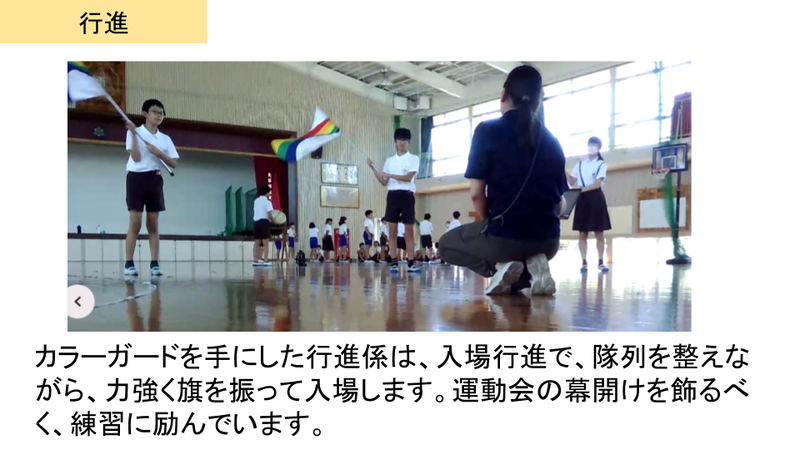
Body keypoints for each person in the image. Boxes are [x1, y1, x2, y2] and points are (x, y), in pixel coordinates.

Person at [439, 65, 568, 296]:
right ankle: (533, 270)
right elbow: (560, 206)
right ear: (538, 102)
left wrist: (489, 222)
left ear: (504, 94)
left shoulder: (487, 131)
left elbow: (476, 194)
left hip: (505, 238)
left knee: (446, 245)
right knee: (524, 246)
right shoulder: (553, 141)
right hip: (548, 243)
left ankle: (499, 268)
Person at [123, 99, 179, 276]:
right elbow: (136, 158)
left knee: (153, 224)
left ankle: (155, 263)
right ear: (145, 114)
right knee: (135, 223)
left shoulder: (165, 139)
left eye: (161, 113)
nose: (159, 115)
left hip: (155, 178)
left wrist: (158, 152)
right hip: (136, 178)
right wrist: (133, 135)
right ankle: (129, 263)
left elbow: (173, 163)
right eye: (155, 111)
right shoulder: (135, 132)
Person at [367, 128, 422, 274]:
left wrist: (390, 175)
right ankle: (394, 262)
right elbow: (384, 182)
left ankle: (411, 263)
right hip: (392, 196)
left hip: (407, 195)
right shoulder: (389, 161)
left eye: (405, 140)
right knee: (392, 231)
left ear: (409, 142)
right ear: (395, 142)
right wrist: (373, 169)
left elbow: (408, 178)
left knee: (408, 231)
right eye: (399, 140)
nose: (402, 142)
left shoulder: (413, 158)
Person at [568, 136, 612, 273]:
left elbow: (597, 184)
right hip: (582, 199)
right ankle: (584, 262)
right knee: (582, 233)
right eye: (590, 144)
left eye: (594, 145)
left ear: (599, 148)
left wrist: (581, 190)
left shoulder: (601, 164)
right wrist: (561, 168)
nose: (591, 147)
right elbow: (572, 181)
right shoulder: (580, 164)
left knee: (599, 231)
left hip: (596, 198)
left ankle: (600, 262)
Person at [252, 185, 274, 267]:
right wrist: (273, 221)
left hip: (256, 222)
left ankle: (255, 260)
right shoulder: (268, 202)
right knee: (266, 242)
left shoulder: (256, 201)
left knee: (257, 242)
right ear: (267, 192)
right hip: (264, 222)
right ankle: (265, 260)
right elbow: (269, 214)